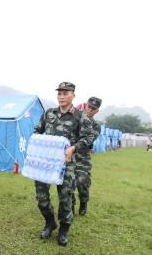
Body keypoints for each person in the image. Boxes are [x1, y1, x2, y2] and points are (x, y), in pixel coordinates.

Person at [33, 82, 94, 246]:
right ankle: (49, 222)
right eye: (59, 93)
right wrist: (36, 146)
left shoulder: (81, 116)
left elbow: (88, 138)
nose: (61, 96)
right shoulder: (49, 113)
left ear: (73, 95)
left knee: (65, 197)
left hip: (66, 163)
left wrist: (74, 148)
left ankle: (64, 230)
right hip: (46, 162)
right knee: (41, 196)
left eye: (65, 93)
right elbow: (37, 131)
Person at [72, 97, 102, 216]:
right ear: (85, 106)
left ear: (97, 111)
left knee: (82, 183)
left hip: (83, 158)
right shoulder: (74, 118)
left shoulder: (96, 126)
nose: (90, 109)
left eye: (93, 108)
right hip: (70, 156)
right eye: (89, 106)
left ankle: (83, 202)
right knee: (69, 184)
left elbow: (88, 140)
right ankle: (70, 206)